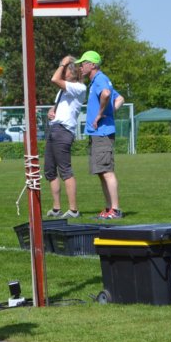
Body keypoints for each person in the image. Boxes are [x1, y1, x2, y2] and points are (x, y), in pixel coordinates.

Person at [76, 51, 125, 219]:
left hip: (102, 133)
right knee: (101, 172)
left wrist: (100, 115)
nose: (81, 66)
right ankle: (109, 208)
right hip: (98, 133)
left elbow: (106, 94)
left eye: (83, 63)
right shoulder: (98, 81)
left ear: (93, 65)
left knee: (107, 171)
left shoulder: (100, 79)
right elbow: (120, 98)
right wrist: (109, 112)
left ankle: (115, 210)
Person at [45, 55, 85, 219]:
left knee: (65, 170)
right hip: (54, 128)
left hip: (63, 131)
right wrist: (51, 111)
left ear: (72, 72)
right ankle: (57, 208)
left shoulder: (79, 87)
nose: (63, 72)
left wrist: (63, 63)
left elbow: (54, 79)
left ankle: (73, 210)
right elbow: (58, 107)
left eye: (66, 70)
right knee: (49, 171)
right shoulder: (63, 90)